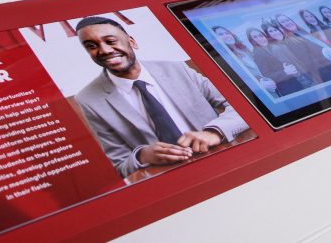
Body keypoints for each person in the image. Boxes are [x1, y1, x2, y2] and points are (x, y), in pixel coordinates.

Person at [74, 16, 249, 178]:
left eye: (110, 41)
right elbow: (119, 166)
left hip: (227, 161)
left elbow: (244, 105)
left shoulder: (177, 69)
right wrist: (143, 155)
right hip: (172, 180)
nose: (103, 50)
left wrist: (215, 133)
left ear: (132, 42)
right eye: (91, 46)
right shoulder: (88, 99)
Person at [249, 24, 313, 95]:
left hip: (301, 78)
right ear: (252, 41)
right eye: (255, 37)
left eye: (260, 35)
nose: (260, 38)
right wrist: (285, 72)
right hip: (289, 86)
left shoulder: (273, 45)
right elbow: (267, 75)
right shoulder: (258, 53)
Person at [212, 26, 277, 95]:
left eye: (227, 33)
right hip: (256, 93)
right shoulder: (225, 58)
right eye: (220, 34)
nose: (226, 36)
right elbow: (235, 80)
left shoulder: (245, 50)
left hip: (271, 86)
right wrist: (259, 83)